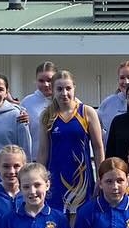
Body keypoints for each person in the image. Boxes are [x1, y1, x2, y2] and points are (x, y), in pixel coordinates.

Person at [38, 70, 104, 217]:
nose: (64, 93)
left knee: (80, 219)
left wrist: (101, 176)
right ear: (53, 90)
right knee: (56, 219)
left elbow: (98, 147)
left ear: (74, 88)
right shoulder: (47, 115)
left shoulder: (87, 112)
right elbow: (43, 151)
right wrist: (39, 178)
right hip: (55, 176)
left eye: (68, 88)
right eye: (59, 89)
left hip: (81, 178)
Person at [19, 61, 59, 128]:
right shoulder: (26, 102)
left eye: (49, 80)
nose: (46, 84)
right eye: (41, 81)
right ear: (36, 80)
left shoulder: (68, 101)